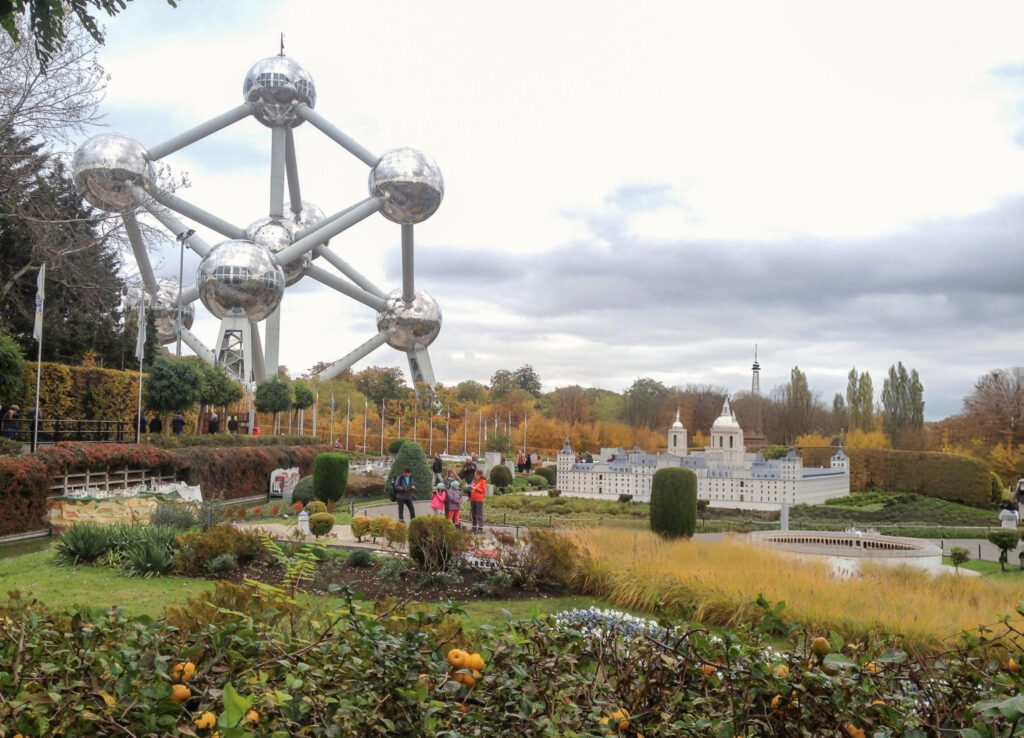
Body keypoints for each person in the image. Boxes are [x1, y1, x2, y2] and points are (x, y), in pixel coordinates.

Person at [469, 468, 487, 534]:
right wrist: (471, 488)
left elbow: (483, 490)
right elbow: (472, 487)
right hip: (473, 499)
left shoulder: (483, 481)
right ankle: (474, 527)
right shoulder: (474, 481)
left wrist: (476, 488)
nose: (475, 475)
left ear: (479, 474)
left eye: (475, 474)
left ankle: (480, 528)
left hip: (479, 499)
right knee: (473, 513)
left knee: (479, 513)